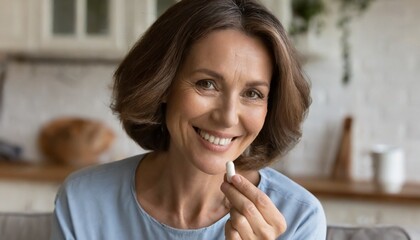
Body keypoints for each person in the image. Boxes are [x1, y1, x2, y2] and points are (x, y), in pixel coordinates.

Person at [50, 0, 327, 239]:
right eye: (207, 84)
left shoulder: (299, 218)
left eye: (253, 93)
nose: (227, 117)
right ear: (163, 85)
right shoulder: (83, 201)